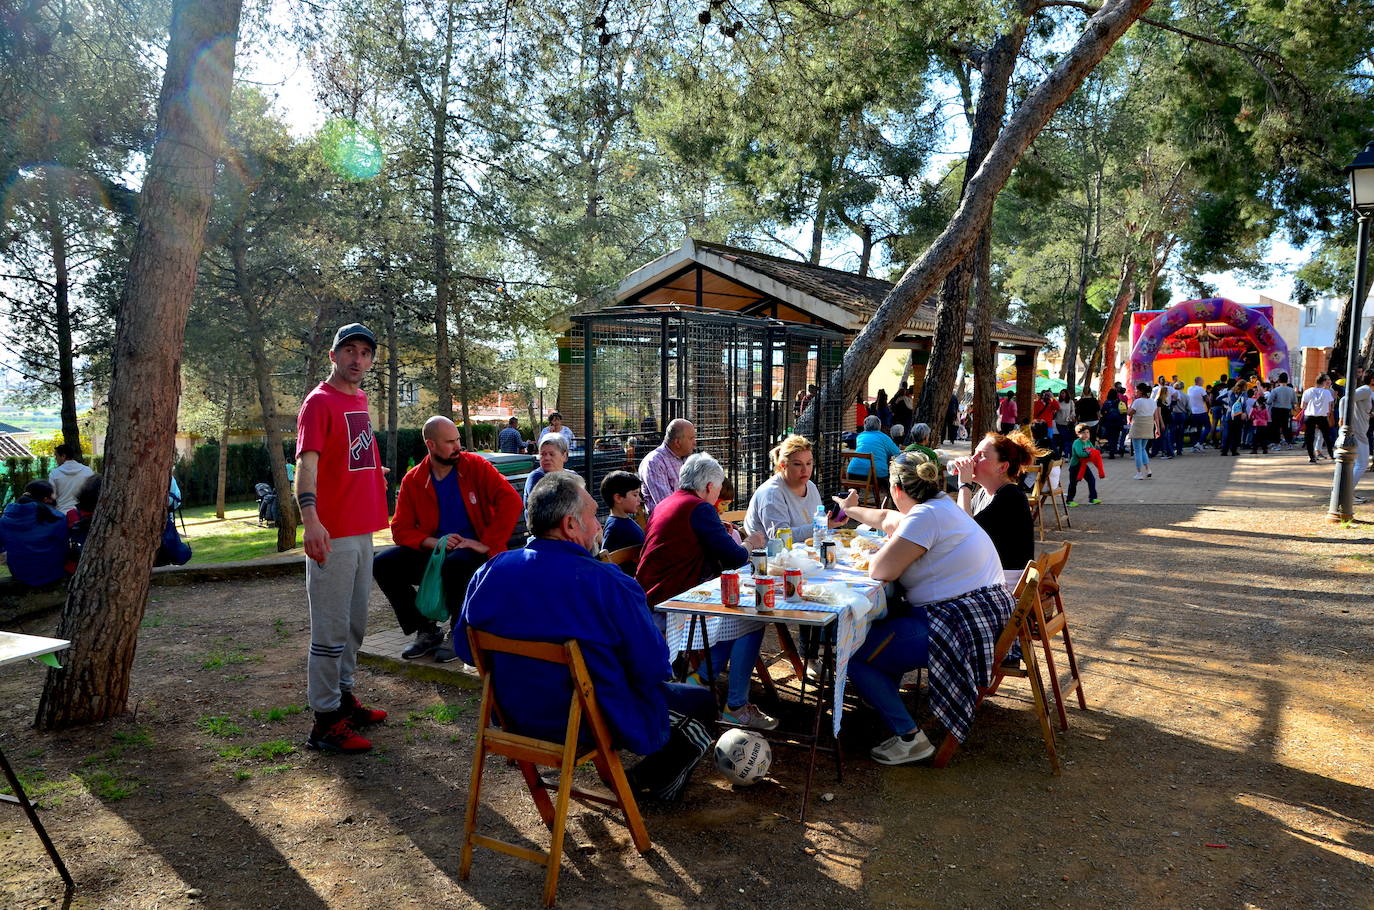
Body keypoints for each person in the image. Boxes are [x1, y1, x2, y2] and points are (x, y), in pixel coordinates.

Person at [454, 472, 718, 800]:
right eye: (593, 516)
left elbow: (466, 650)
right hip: (587, 723)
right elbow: (655, 668)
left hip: (513, 720)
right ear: (570, 525)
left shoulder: (490, 572)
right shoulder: (607, 583)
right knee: (704, 703)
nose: (598, 526)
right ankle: (653, 786)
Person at [832, 451, 1013, 764]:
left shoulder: (923, 517)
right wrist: (851, 510)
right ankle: (883, 703)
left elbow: (880, 571)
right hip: (984, 616)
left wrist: (883, 548)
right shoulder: (941, 504)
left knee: (855, 653)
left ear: (897, 490)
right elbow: (888, 519)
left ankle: (909, 737)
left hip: (956, 625)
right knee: (884, 627)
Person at [295, 323, 390, 754]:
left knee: (354, 626)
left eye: (365, 353)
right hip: (333, 534)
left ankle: (344, 699)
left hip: (363, 529)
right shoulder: (318, 403)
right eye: (349, 350)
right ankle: (325, 721)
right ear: (333, 355)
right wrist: (310, 519)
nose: (357, 359)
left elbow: (348, 457)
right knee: (329, 631)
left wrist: (373, 474)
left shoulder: (359, 398)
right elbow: (307, 466)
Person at [637, 453, 774, 730]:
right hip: (670, 604)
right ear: (710, 487)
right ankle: (735, 706)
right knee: (751, 620)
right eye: (718, 487)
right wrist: (753, 541)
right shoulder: (699, 509)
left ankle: (699, 679)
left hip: (649, 598)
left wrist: (718, 531)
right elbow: (736, 557)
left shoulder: (669, 503)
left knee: (737, 619)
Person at [374, 415, 523, 663]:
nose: (457, 447)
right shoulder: (414, 480)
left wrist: (485, 542)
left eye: (458, 440)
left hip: (473, 554)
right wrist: (432, 542)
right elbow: (399, 528)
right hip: (437, 551)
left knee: (456, 564)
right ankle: (427, 630)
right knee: (383, 563)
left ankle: (459, 632)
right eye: (450, 442)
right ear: (431, 445)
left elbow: (511, 500)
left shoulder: (475, 465)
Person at [949, 431, 1038, 576]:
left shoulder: (1012, 497)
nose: (973, 459)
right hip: (987, 575)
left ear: (1002, 467)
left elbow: (964, 533)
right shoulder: (984, 492)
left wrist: (964, 485)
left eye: (982, 455)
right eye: (975, 453)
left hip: (1005, 582)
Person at [743, 435, 840, 543]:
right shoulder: (771, 493)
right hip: (772, 556)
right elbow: (780, 538)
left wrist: (834, 518)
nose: (805, 470)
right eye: (798, 464)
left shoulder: (811, 486)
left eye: (809, 463)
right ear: (783, 465)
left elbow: (814, 526)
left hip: (804, 552)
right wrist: (823, 525)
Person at [0, 481, 68, 587]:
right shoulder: (57, 518)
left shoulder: (5, 520)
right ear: (46, 499)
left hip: (21, 574)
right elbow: (64, 547)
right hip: (53, 573)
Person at [637, 418, 696, 514]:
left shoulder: (687, 458)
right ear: (677, 442)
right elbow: (666, 505)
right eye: (691, 438)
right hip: (668, 522)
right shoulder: (654, 462)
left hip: (688, 516)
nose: (695, 442)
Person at [848, 415, 903, 498]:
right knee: (893, 482)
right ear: (879, 426)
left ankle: (853, 502)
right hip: (875, 475)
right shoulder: (884, 437)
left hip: (853, 472)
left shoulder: (860, 436)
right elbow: (897, 453)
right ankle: (893, 504)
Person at [600, 470, 646, 553]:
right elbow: (607, 558)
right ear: (618, 498)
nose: (640, 499)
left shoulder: (623, 521)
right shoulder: (613, 528)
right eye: (635, 495)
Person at [47, 444, 94, 514]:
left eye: (56, 456)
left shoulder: (54, 474)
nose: (55, 459)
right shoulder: (88, 471)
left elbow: (52, 497)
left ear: (63, 456)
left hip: (62, 514)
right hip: (83, 514)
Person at [1301, 374, 1336, 464]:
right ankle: (1331, 454)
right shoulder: (1327, 392)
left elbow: (1303, 406)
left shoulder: (1308, 391)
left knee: (1309, 437)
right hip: (1322, 416)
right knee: (1326, 436)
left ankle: (1311, 456)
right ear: (1324, 382)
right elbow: (1329, 406)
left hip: (1309, 416)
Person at [1065, 424, 1103, 506]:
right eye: (1083, 433)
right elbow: (1080, 453)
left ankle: (1092, 498)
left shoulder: (1088, 442)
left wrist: (1095, 454)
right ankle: (1069, 500)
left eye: (1087, 432)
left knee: (1091, 480)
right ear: (1078, 434)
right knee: (1073, 483)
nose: (1086, 435)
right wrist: (1089, 453)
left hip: (1083, 465)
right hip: (1075, 466)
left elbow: (1094, 451)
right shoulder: (1077, 442)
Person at [1349, 369, 1371, 502]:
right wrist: (1342, 419)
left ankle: (1347, 493)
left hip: (1361, 431)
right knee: (1362, 463)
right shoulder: (1366, 390)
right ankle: (1345, 494)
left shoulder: (1368, 391)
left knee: (1359, 463)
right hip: (1358, 432)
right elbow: (1346, 399)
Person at [524, 434, 570, 499]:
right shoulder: (537, 477)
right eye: (543, 454)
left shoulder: (572, 475)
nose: (547, 458)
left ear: (564, 456)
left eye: (551, 454)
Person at [1128, 381, 1158, 479]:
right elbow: (1155, 415)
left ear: (1140, 391)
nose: (1136, 392)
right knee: (1143, 449)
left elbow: (1130, 413)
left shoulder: (1137, 401)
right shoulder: (1152, 402)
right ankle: (1148, 469)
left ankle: (1139, 473)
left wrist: (1132, 403)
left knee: (1137, 450)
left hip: (1138, 426)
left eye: (1137, 390)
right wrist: (1157, 428)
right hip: (1148, 426)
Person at [1268, 372, 1297, 450]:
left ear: (1279, 380)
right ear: (1287, 380)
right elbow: (1294, 402)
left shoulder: (1275, 390)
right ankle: (1289, 444)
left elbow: (1269, 401)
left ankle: (1277, 445)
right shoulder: (1291, 390)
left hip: (1276, 410)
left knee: (1276, 428)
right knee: (1287, 427)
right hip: (1287, 411)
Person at [1099, 388, 1126, 458]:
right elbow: (1123, 412)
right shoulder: (1119, 402)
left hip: (1109, 422)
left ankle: (1111, 451)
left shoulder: (1107, 402)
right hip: (1118, 422)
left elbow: (1102, 411)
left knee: (1110, 437)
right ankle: (1113, 450)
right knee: (1116, 437)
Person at [1185, 377, 1211, 451]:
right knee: (1208, 427)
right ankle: (1199, 443)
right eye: (1202, 381)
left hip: (1193, 412)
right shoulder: (1201, 389)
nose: (1203, 382)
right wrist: (1208, 399)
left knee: (1196, 429)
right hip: (1202, 411)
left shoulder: (1189, 388)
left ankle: (1195, 446)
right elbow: (1207, 399)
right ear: (1198, 381)